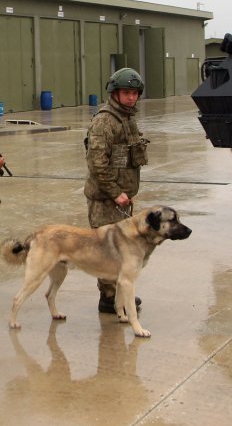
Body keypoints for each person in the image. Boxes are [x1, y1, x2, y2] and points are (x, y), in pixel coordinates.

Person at [83, 67, 149, 314]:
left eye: (134, 93)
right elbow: (97, 163)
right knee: (107, 251)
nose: (131, 97)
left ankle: (118, 292)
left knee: (121, 249)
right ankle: (108, 298)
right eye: (126, 93)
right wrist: (115, 192)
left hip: (121, 198)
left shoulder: (127, 118)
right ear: (115, 93)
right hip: (105, 199)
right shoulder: (104, 121)